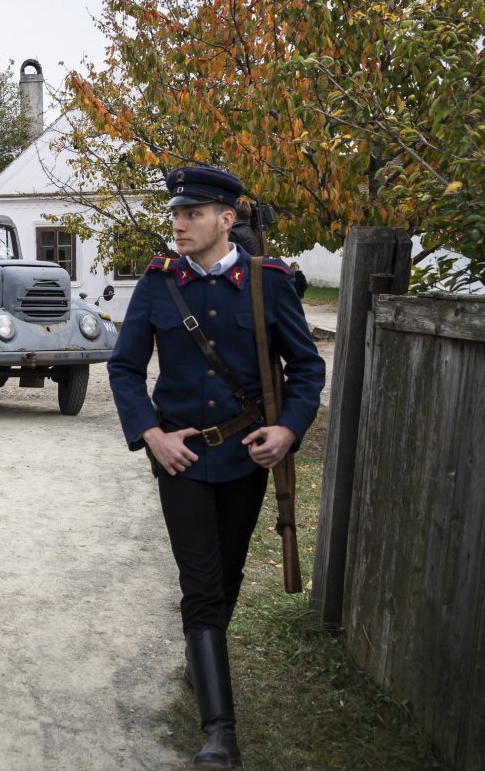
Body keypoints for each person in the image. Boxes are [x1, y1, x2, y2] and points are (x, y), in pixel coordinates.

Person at [108, 166, 324, 768]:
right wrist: (151, 435)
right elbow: (124, 369)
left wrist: (287, 429)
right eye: (176, 213)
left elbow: (306, 369)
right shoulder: (157, 284)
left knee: (226, 577)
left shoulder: (268, 283)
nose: (179, 223)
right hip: (179, 460)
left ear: (227, 220)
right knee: (200, 584)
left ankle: (200, 659)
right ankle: (219, 734)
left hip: (245, 458)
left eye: (193, 213)